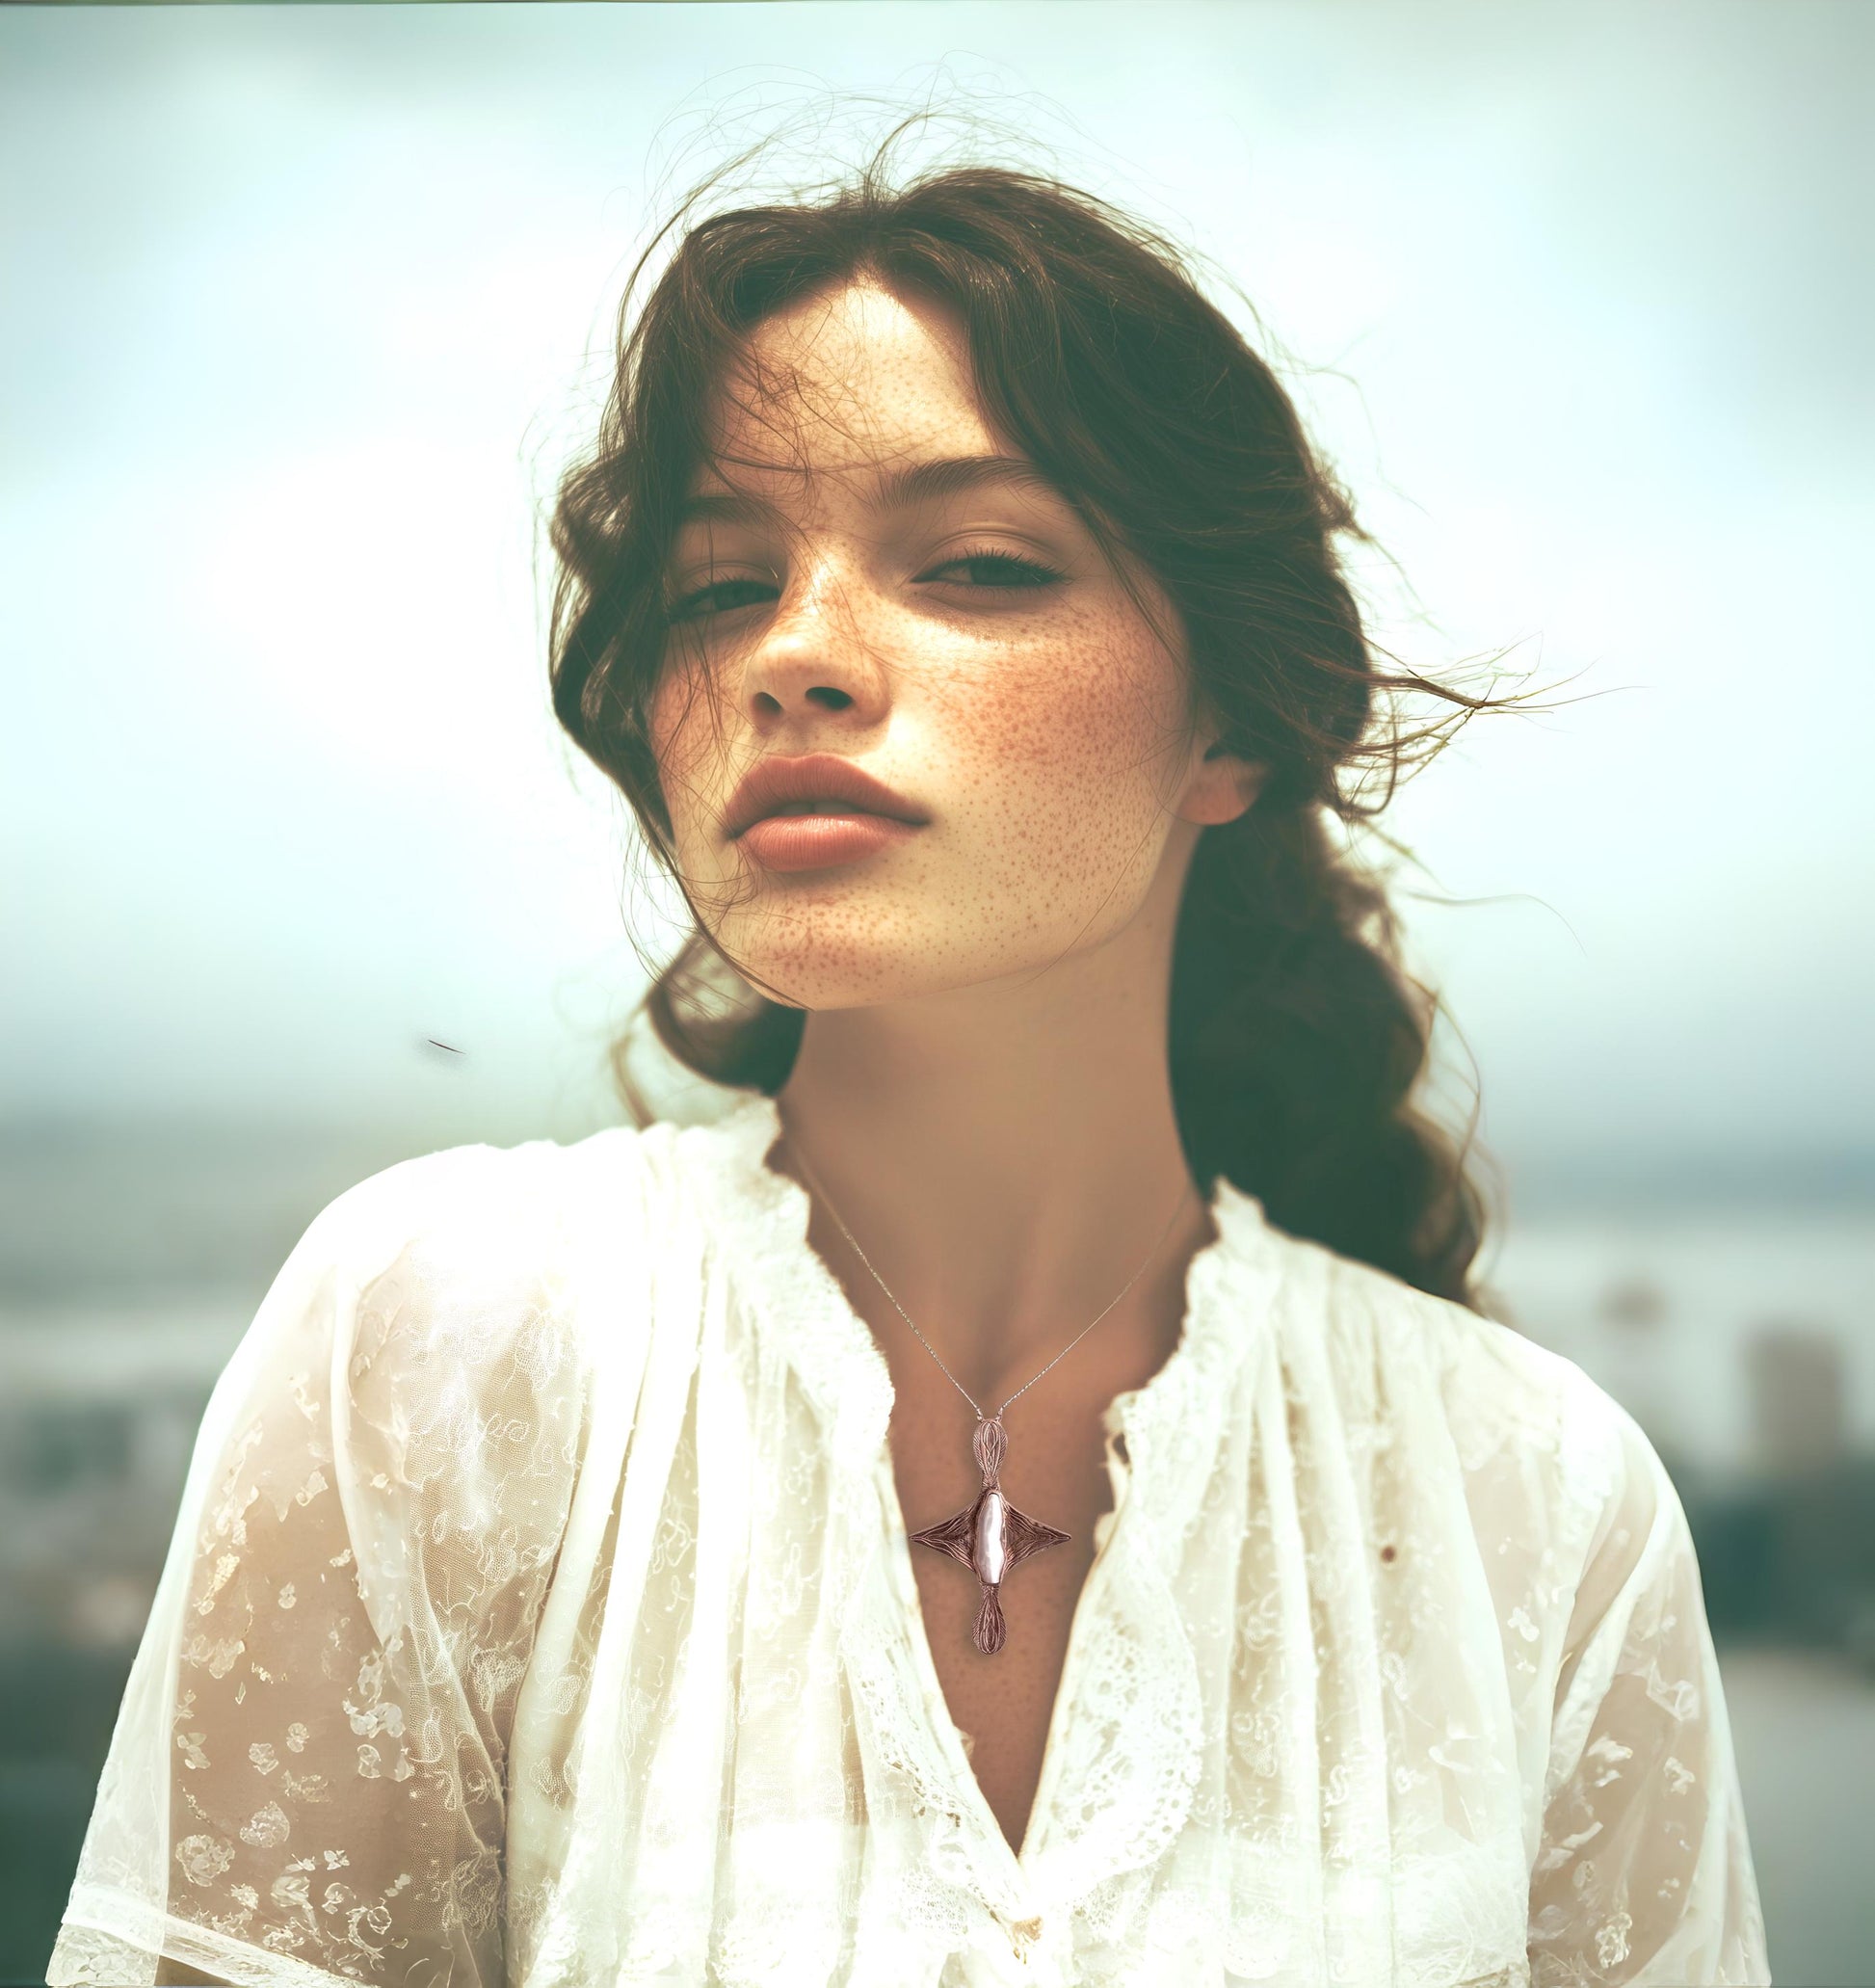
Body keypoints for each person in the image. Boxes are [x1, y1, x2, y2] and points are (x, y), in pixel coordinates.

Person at [47, 148, 1771, 1987]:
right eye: (715, 588)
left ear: (1233, 726)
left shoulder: (1539, 1502)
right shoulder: (447, 1346)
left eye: (976, 562)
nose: (792, 655)